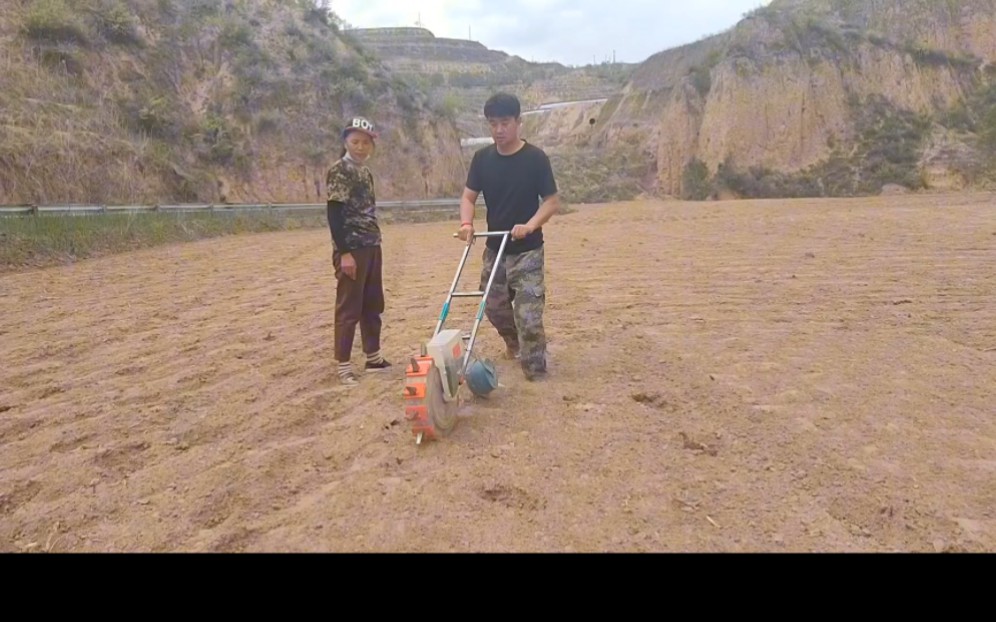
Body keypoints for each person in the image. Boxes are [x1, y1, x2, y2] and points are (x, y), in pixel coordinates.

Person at [457, 92, 560, 381]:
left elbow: (552, 201)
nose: (499, 130)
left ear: (518, 122)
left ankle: (536, 370)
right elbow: (468, 196)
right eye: (493, 123)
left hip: (527, 249)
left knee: (528, 314)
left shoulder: (535, 158)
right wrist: (466, 223)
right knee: (492, 305)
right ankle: (514, 344)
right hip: (495, 248)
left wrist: (530, 224)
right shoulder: (482, 159)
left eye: (504, 122)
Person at [326, 116, 392, 386]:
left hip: (371, 244)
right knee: (349, 307)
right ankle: (343, 364)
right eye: (355, 142)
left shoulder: (364, 172)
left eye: (365, 142)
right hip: (352, 247)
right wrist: (344, 253)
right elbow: (334, 212)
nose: (361, 147)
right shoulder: (340, 170)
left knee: (372, 303)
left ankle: (373, 356)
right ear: (345, 142)